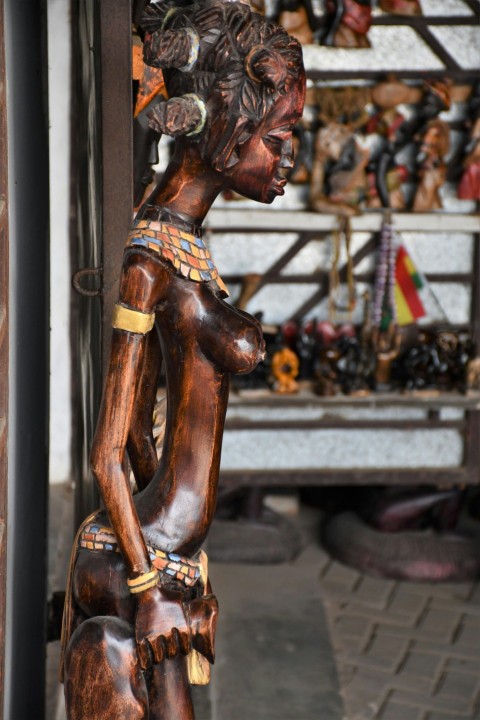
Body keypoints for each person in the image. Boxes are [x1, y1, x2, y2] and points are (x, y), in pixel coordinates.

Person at [61, 2, 305, 718]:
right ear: (226, 130)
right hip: (140, 569)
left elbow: (143, 435)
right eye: (278, 137)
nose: (288, 159)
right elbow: (107, 452)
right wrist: (148, 586)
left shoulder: (184, 246)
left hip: (165, 556)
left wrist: (174, 561)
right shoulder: (149, 262)